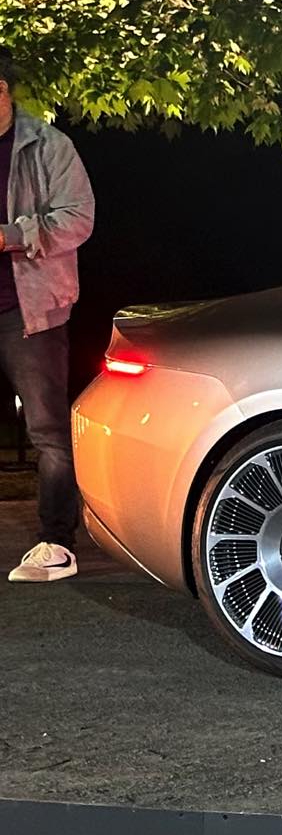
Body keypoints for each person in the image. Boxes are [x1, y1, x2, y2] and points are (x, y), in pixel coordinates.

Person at [0, 49, 96, 583]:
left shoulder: (48, 145)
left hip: (29, 310)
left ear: (2, 90)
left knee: (48, 432)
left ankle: (57, 544)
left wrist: (11, 236)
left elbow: (79, 218)